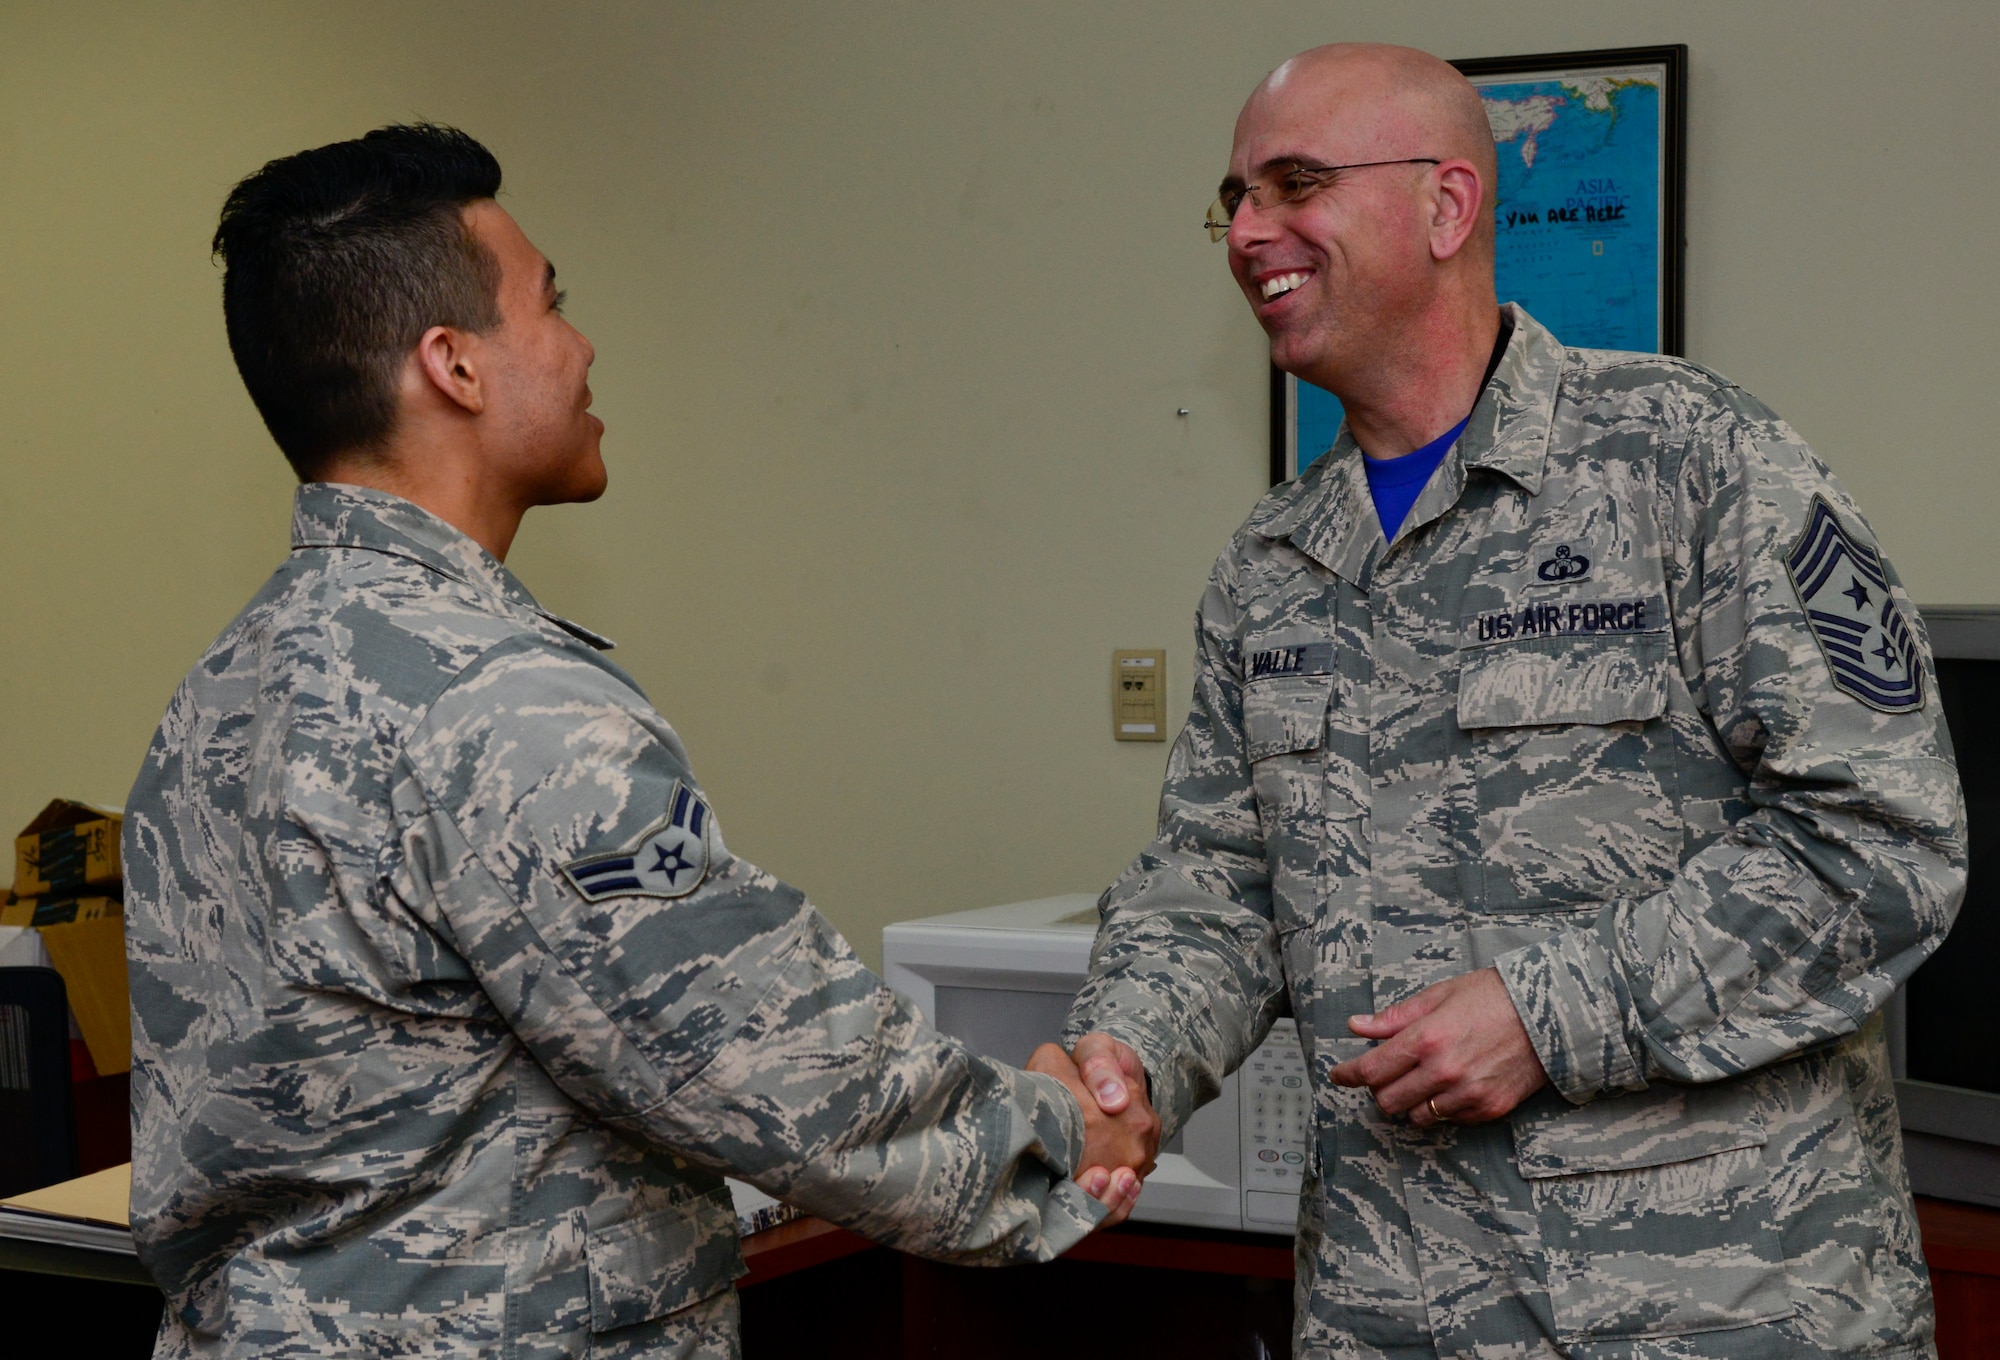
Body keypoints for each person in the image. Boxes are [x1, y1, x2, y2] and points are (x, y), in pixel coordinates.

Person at [123, 124, 1155, 1360]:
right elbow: (768, 1061)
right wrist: (1056, 1136)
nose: (580, 341)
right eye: (550, 303)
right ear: (451, 365)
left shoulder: (215, 696)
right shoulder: (504, 705)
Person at [1060, 43, 1965, 1360]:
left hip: (1713, 1314)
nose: (1251, 232)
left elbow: (1885, 845)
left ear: (1447, 207)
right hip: (1392, 1312)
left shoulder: (1697, 467)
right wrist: (1127, 1056)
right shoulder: (1271, 567)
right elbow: (1219, 876)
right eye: (1236, 197)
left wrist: (1553, 1011)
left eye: (1296, 183)